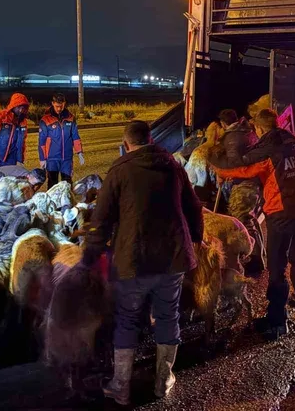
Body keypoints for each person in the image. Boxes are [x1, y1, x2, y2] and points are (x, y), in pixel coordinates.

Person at [83, 120, 204, 405]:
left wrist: (89, 257)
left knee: (127, 319)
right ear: (151, 140)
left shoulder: (119, 170)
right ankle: (163, 379)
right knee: (168, 315)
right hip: (172, 257)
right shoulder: (173, 165)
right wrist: (196, 239)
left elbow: (101, 219)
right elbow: (194, 206)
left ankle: (121, 386)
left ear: (126, 144)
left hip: (134, 259)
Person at [210, 108, 295, 340]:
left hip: (282, 210)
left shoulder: (268, 151)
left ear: (258, 129)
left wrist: (218, 167)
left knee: (276, 266)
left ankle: (277, 322)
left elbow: (243, 168)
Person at [215, 109, 265, 274]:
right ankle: (259, 256)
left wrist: (221, 171)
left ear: (223, 124)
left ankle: (254, 261)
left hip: (245, 183)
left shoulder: (232, 138)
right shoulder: (247, 131)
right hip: (253, 181)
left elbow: (233, 163)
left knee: (242, 219)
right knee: (250, 219)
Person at [38, 93, 84, 189]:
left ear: (64, 103)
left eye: (61, 106)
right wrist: (42, 158)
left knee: (67, 184)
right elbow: (42, 141)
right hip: (52, 158)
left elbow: (75, 136)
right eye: (57, 106)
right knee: (52, 184)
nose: (59, 109)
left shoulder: (71, 118)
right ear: (52, 103)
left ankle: (67, 199)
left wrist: (79, 152)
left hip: (67, 158)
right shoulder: (45, 120)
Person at [0, 93, 30, 170]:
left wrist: (20, 160)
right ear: (13, 105)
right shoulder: (0, 116)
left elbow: (21, 143)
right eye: (18, 107)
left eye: (23, 108)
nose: (21, 110)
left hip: (11, 160)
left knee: (10, 177)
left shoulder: (23, 122)